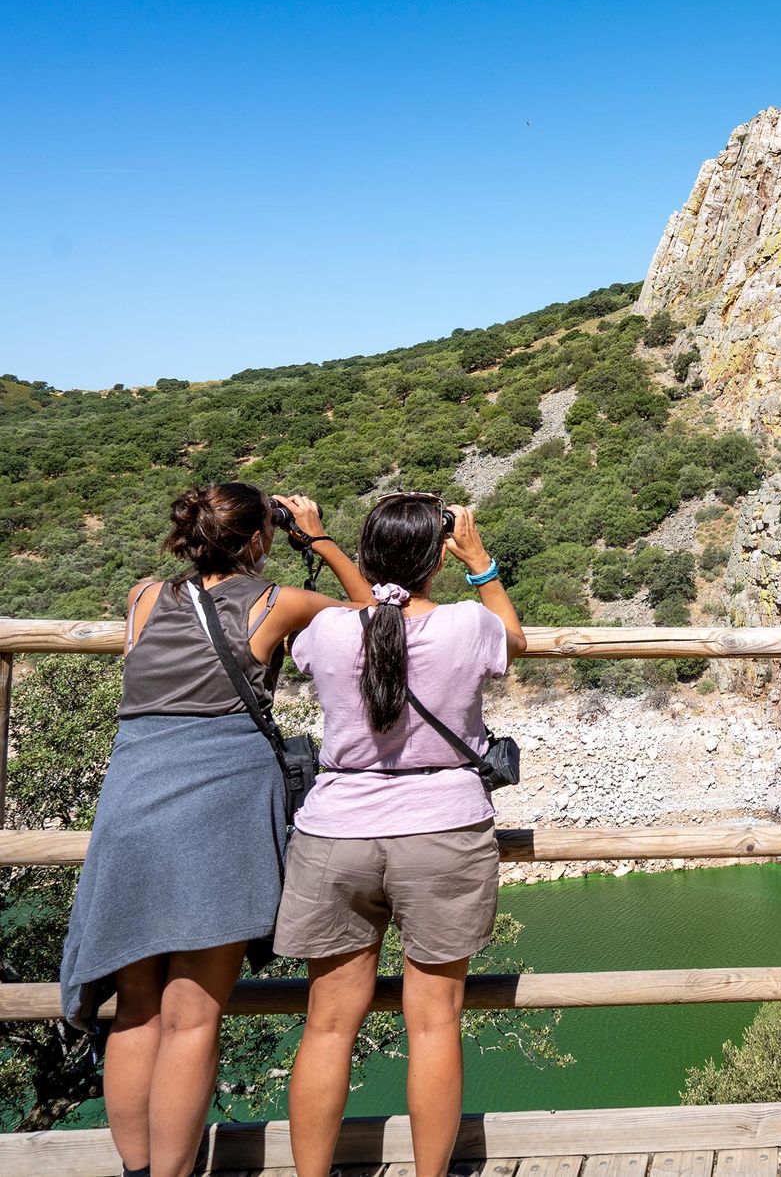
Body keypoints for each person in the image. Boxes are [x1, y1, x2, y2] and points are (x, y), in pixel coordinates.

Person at [60, 482, 373, 1177]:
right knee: (193, 1015)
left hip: (131, 807)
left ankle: (138, 1172)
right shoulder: (277, 601)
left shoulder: (144, 595)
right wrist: (317, 536)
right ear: (260, 538)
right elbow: (371, 615)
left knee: (136, 1005)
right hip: (219, 812)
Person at [273, 493, 526, 1177]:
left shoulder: (326, 631)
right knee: (435, 1022)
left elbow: (365, 616)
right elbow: (517, 638)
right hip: (442, 832)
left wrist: (318, 540)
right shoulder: (468, 625)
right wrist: (482, 565)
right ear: (438, 554)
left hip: (335, 834)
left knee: (326, 1025)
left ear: (365, 553)